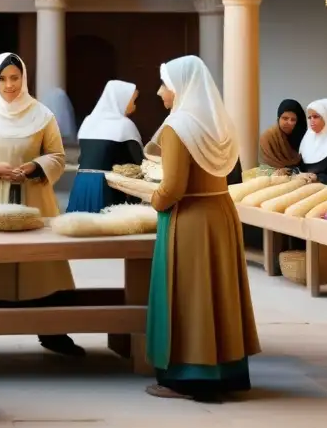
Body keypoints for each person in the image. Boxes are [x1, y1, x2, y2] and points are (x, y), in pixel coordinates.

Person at [146, 55, 259, 400]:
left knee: (192, 296)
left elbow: (174, 187)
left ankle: (190, 377)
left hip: (191, 219)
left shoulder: (178, 127)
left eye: (164, 84)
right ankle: (227, 371)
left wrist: (154, 200)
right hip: (221, 211)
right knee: (220, 292)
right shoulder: (219, 123)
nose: (159, 91)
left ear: (181, 87)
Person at [0, 53, 82, 357]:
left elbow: (57, 156)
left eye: (15, 77)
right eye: (2, 78)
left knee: (41, 266)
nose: (9, 84)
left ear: (23, 78)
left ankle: (53, 331)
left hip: (34, 199)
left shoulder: (42, 114)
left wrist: (33, 167)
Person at [65, 80, 144, 214]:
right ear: (121, 99)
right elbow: (139, 162)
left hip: (82, 183)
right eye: (133, 100)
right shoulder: (124, 125)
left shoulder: (88, 121)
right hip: (107, 186)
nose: (134, 105)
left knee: (82, 227)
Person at [258, 99, 307, 173]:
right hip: (272, 177)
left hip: (300, 176)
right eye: (285, 118)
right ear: (278, 118)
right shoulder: (268, 137)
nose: (289, 123)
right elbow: (264, 167)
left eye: (293, 120)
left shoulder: (303, 137)